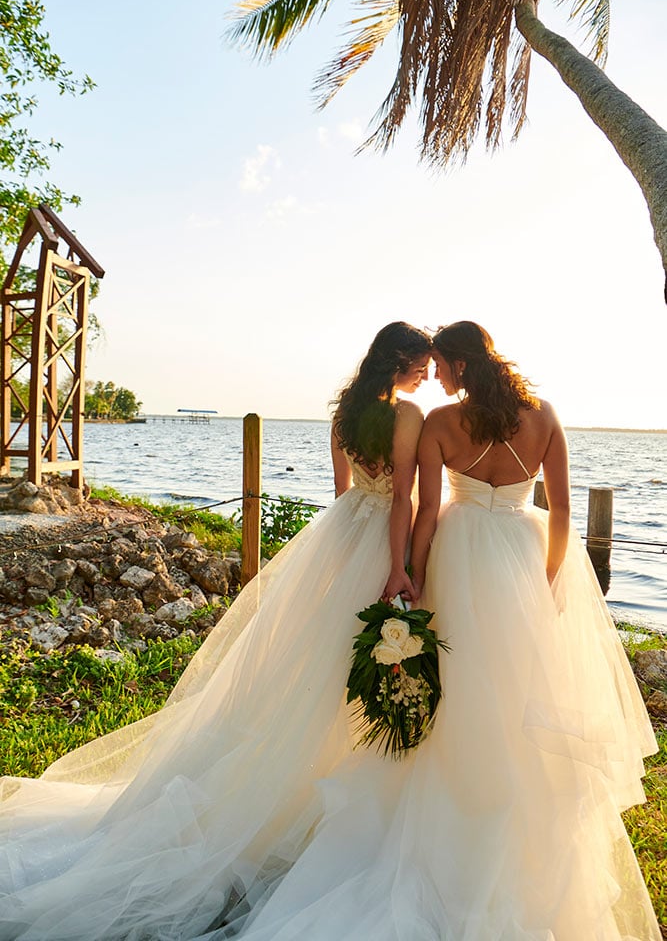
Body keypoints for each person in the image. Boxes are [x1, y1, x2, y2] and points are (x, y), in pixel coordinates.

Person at [211, 321, 660, 940]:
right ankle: (508, 812)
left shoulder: (444, 424)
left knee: (457, 680)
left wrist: (413, 577)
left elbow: (423, 511)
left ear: (461, 365)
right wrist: (550, 578)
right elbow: (559, 509)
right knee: (513, 687)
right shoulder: (545, 415)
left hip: (463, 553)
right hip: (524, 557)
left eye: (443, 367)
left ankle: (447, 800)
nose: (438, 376)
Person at [0, 322, 432, 941]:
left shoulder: (346, 411)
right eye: (420, 363)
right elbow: (402, 501)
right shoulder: (408, 414)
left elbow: (345, 493)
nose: (425, 374)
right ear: (399, 361)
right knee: (346, 674)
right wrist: (400, 565)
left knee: (309, 676)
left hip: (339, 536)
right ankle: (324, 808)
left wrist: (344, 551)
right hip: (378, 542)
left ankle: (310, 798)